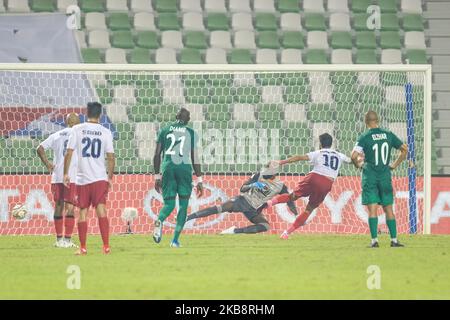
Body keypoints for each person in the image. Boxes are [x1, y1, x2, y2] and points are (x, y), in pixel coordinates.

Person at [265, 133, 352, 239]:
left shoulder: (318, 153)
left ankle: (267, 204)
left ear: (320, 143)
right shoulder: (340, 155)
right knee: (308, 210)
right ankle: (286, 233)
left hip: (314, 177)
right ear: (331, 143)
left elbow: (299, 158)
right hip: (327, 183)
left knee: (292, 196)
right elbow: (352, 160)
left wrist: (281, 162)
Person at [63, 102, 115, 255]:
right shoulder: (105, 132)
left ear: (87, 113)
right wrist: (109, 178)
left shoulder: (77, 129)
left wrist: (66, 173)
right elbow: (111, 157)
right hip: (99, 177)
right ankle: (106, 246)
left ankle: (83, 248)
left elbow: (69, 152)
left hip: (82, 178)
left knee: (82, 212)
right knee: (101, 210)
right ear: (100, 115)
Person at [351, 110, 408, 248]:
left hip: (370, 175)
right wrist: (394, 165)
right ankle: (394, 240)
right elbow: (404, 149)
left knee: (372, 209)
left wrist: (358, 165)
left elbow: (353, 156)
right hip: (384, 175)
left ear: (366, 122)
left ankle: (374, 241)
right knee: (388, 208)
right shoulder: (388, 134)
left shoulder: (364, 137)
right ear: (378, 120)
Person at [187, 165, 298, 235]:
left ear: (274, 173)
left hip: (254, 209)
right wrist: (254, 184)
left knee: (265, 226)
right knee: (220, 208)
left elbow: (289, 198)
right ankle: (188, 218)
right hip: (242, 201)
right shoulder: (259, 175)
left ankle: (234, 231)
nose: (266, 171)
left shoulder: (280, 186)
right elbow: (242, 188)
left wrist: (294, 211)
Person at [152, 108, 203, 248]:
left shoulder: (165, 130)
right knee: (183, 205)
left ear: (176, 116)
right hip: (184, 169)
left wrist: (157, 176)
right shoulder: (191, 132)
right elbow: (195, 157)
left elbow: (157, 155)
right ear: (188, 120)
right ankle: (174, 241)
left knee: (169, 204)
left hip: (168, 167)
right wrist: (199, 180)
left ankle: (159, 220)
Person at [37, 113, 80, 248]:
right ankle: (67, 240)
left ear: (67, 122)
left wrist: (48, 164)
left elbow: (39, 148)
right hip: (72, 176)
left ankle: (59, 240)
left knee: (59, 206)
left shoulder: (57, 135)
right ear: (77, 122)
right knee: (70, 207)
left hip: (57, 176)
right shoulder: (80, 135)